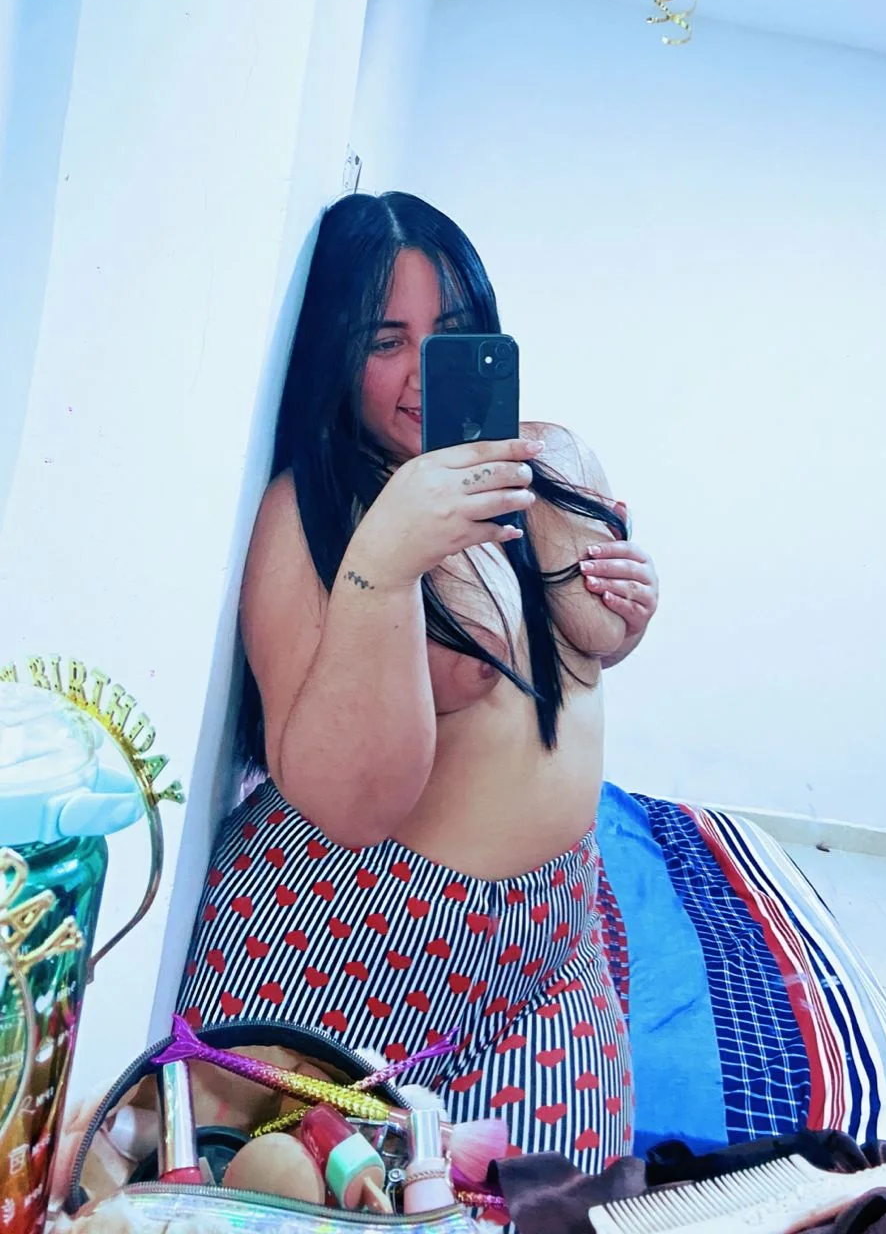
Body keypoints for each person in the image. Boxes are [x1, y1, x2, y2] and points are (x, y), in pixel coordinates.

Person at [178, 191, 659, 1176]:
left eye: (449, 332)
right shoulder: (313, 507)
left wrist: (629, 612)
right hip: (358, 944)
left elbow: (582, 652)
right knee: (326, 1191)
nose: (420, 370)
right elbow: (350, 802)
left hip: (545, 946)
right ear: (334, 356)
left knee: (558, 1197)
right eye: (384, 341)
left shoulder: (530, 471)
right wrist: (386, 562)